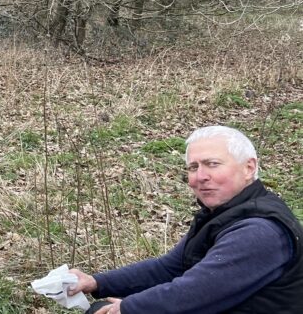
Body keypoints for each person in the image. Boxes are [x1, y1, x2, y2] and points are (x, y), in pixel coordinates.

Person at [68, 126, 303, 314]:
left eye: (212, 164)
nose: (200, 177)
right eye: (193, 167)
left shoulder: (259, 230)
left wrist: (128, 307)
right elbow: (170, 267)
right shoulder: (223, 214)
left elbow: (198, 292)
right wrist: (96, 282)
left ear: (249, 168)